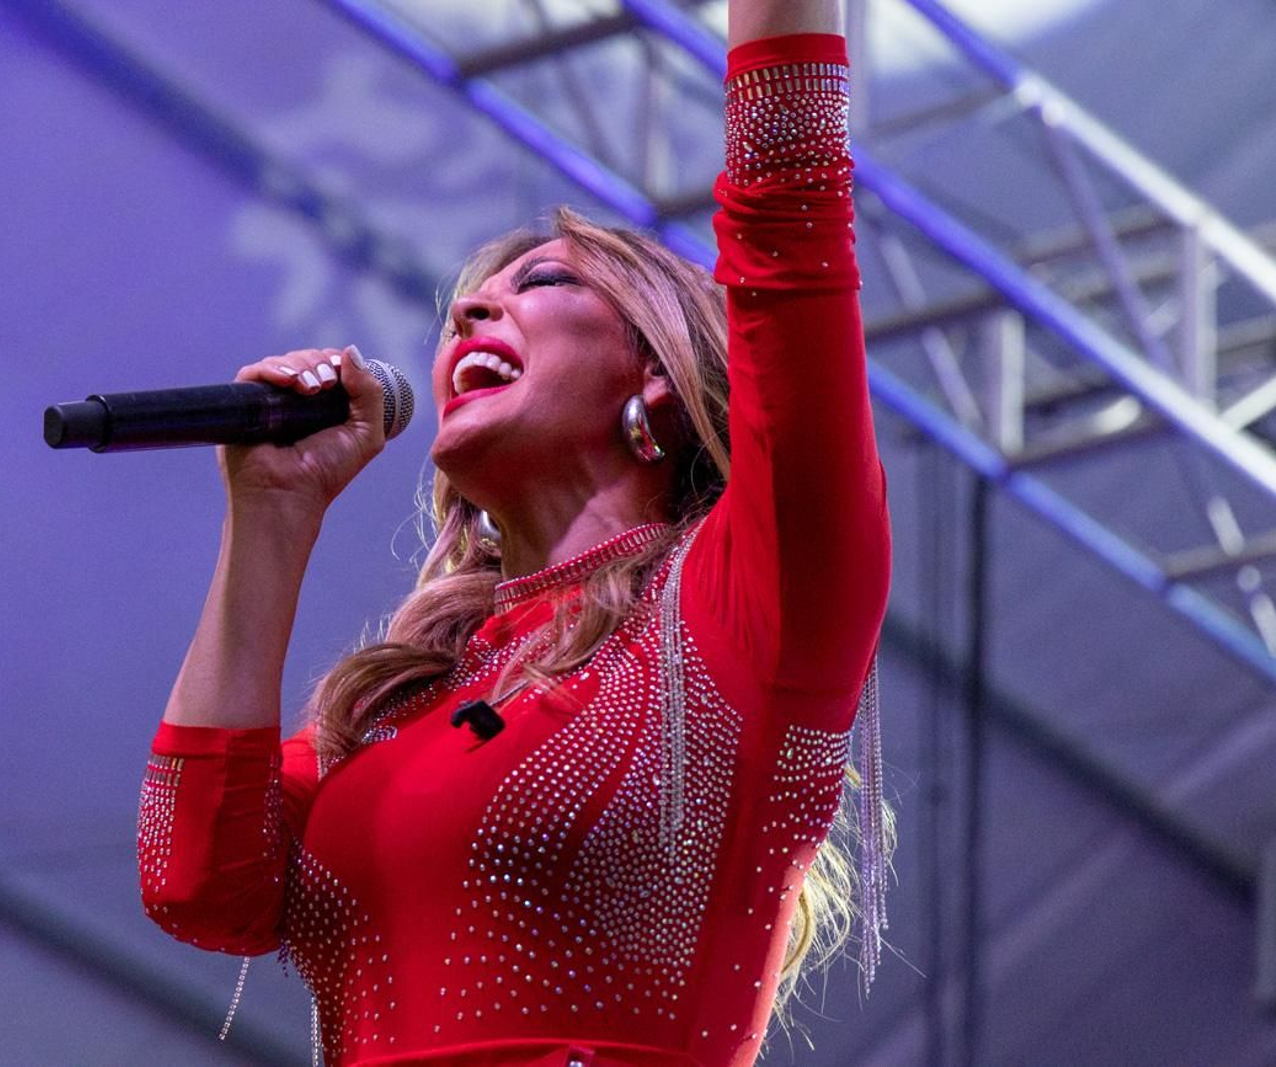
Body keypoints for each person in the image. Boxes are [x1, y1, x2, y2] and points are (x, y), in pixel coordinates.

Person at [137, 0, 891, 1062]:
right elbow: (194, 880)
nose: (471, 317)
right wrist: (270, 514)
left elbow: (790, 221)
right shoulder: (409, 702)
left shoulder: (740, 618)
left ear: (661, 380)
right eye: (461, 310)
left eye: (537, 284)